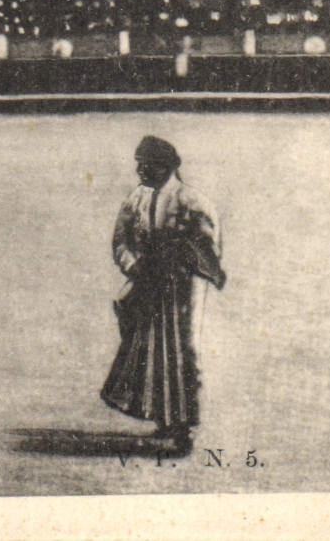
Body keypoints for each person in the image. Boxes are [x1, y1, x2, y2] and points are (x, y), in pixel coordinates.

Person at [102, 135, 225, 453]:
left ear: (167, 166)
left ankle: (186, 427)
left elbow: (209, 249)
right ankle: (165, 418)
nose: (141, 170)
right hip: (148, 284)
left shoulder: (192, 200)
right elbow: (121, 241)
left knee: (184, 347)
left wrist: (184, 261)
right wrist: (134, 267)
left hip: (184, 288)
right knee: (153, 348)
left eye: (148, 165)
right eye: (139, 164)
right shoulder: (137, 200)